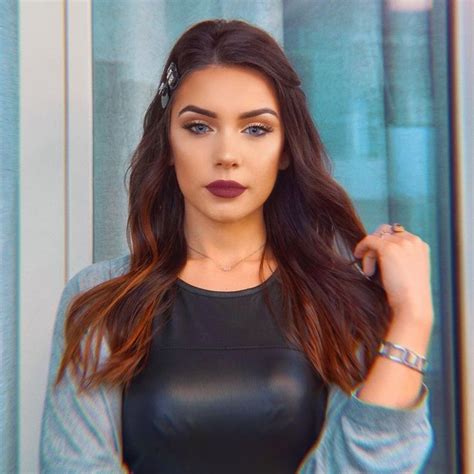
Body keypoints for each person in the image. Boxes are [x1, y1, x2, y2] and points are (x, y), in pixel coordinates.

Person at [39, 18, 434, 473]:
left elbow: (370, 465)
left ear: (286, 148)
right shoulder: (100, 300)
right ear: (168, 144)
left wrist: (413, 317)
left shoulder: (338, 301)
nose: (227, 154)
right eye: (199, 127)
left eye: (255, 129)